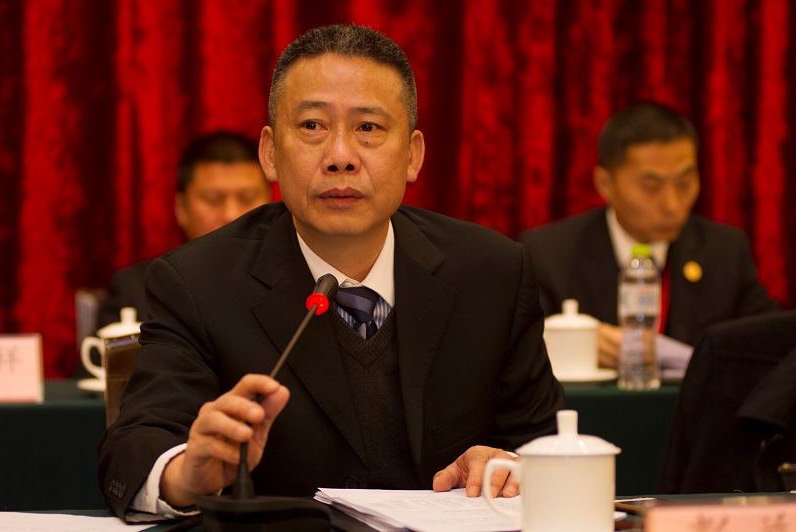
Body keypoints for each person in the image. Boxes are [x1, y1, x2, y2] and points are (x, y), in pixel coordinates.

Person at [98, 24, 564, 520]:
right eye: (312, 126)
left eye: (369, 128)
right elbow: (133, 450)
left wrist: (509, 466)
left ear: (413, 155)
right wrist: (186, 473)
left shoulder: (491, 273)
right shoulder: (198, 283)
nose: (340, 157)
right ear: (270, 154)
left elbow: (552, 450)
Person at [517, 102, 780, 368]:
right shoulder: (549, 254)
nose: (672, 205)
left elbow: (770, 339)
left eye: (684, 183)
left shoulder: (725, 251)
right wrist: (572, 344)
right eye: (651, 187)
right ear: (605, 184)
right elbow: (518, 347)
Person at [98, 131, 272, 327]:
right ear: (181, 208)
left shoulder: (294, 280)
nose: (231, 214)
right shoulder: (138, 289)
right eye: (213, 199)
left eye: (247, 198)